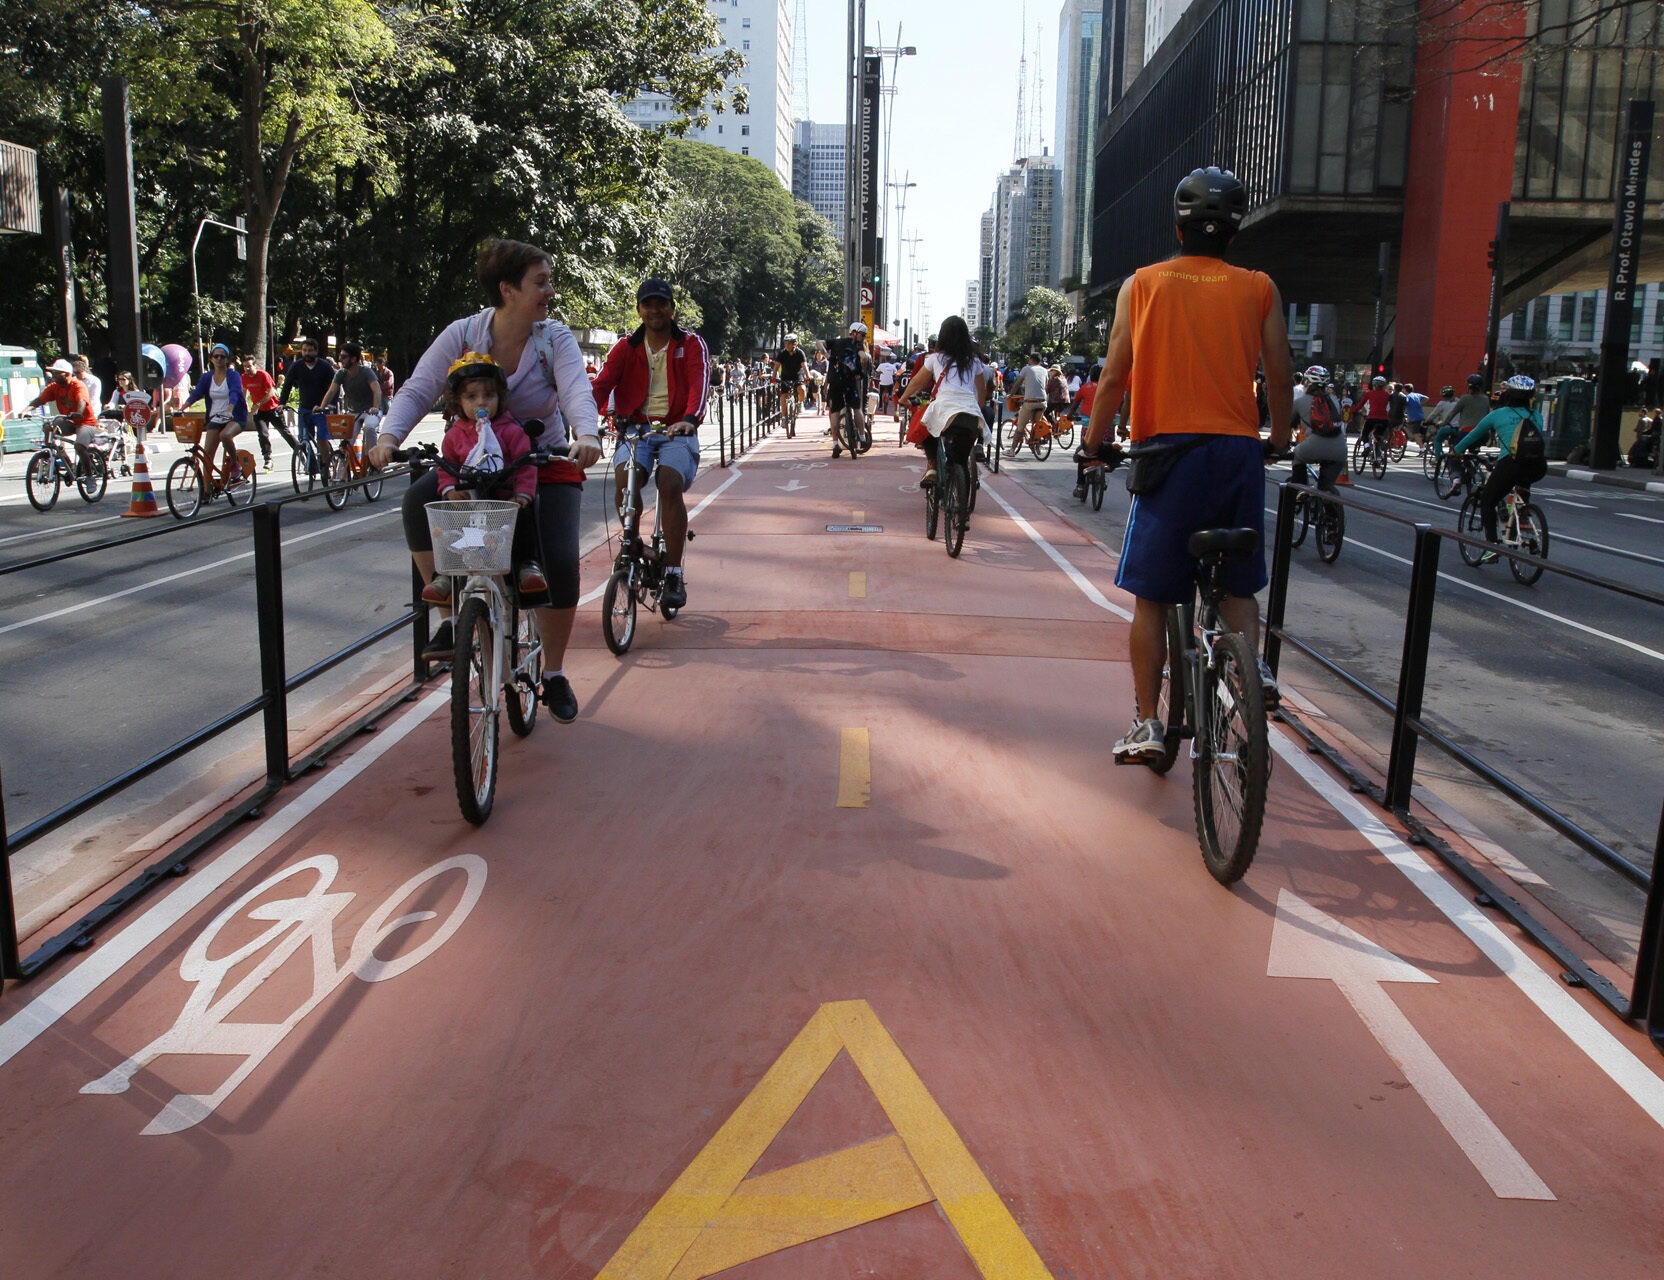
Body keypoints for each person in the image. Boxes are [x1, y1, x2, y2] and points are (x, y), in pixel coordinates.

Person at [1079, 165, 1293, 761]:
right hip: (1236, 453)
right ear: (1234, 229)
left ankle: (1147, 722)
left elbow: (1115, 376)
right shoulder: (1259, 288)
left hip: (1167, 453)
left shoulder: (1143, 284)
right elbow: (1279, 373)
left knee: (1153, 599)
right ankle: (1252, 670)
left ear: (1177, 227)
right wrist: (1274, 437)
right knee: (1238, 582)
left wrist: (1094, 444)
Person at [369, 238, 603, 721]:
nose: (550, 292)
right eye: (541, 282)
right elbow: (419, 387)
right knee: (417, 502)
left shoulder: (553, 339)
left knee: (559, 560)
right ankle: (451, 613)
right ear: (508, 289)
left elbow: (578, 391)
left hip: (542, 462)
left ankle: (554, 673)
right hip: (472, 467)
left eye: (549, 281)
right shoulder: (464, 334)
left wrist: (586, 434)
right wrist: (388, 437)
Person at [591, 277, 710, 613]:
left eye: (661, 303)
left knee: (669, 483)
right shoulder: (625, 348)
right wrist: (584, 423)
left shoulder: (691, 343)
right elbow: (601, 386)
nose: (655, 310)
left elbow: (700, 381)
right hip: (636, 428)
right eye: (648, 304)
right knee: (625, 482)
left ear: (672, 309)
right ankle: (632, 542)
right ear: (639, 309)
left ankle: (673, 572)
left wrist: (690, 418)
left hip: (677, 429)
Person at [422, 352, 547, 599]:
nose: (481, 402)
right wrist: (449, 490)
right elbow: (446, 466)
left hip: (505, 501)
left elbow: (526, 465)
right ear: (458, 402)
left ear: (500, 398)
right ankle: (446, 576)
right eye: (471, 397)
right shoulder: (455, 435)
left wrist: (522, 494)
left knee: (524, 519)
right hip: (469, 502)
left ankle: (528, 566)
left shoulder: (511, 431)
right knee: (450, 527)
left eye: (489, 396)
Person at [1451, 373, 1547, 560]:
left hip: (1511, 463)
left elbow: (1473, 435)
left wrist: (1456, 450)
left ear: (1508, 394)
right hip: (1537, 465)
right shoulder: (1536, 416)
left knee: (1488, 500)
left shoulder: (1498, 414)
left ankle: (1492, 546)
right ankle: (1523, 518)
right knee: (1520, 488)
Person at [896, 314, 988, 489]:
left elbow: (917, 382)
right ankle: (963, 493)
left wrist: (903, 398)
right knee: (962, 456)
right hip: (970, 411)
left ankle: (932, 467)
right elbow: (981, 389)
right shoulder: (974, 360)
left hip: (943, 408)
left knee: (925, 428)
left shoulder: (935, 359)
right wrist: (979, 406)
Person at [180, 343, 250, 488]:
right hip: (215, 417)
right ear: (211, 359)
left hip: (235, 416)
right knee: (207, 455)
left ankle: (236, 465)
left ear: (227, 359)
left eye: (222, 356)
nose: (219, 359)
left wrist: (230, 409)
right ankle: (206, 490)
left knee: (225, 435)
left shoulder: (233, 375)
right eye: (215, 356)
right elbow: (197, 393)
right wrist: (183, 407)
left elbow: (235, 392)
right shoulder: (207, 377)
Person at [27, 358, 100, 471]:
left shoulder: (78, 385)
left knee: (79, 447)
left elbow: (82, 400)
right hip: (68, 420)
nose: (53, 375)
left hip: (86, 422)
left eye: (56, 373)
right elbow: (40, 400)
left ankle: (89, 475)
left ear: (66, 374)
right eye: (53, 373)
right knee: (48, 426)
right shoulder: (54, 387)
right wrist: (26, 410)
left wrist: (79, 412)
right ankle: (53, 453)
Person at [318, 342, 385, 464]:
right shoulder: (341, 374)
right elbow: (332, 390)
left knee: (369, 428)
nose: (340, 359)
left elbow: (377, 390)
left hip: (370, 411)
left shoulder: (366, 372)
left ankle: (373, 461)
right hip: (353, 412)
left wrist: (375, 407)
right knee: (346, 441)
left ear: (354, 359)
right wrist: (321, 407)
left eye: (344, 357)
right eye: (340, 356)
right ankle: (341, 474)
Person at [280, 337, 339, 473]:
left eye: (310, 350)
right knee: (304, 438)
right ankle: (311, 463)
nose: (307, 353)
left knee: (322, 439)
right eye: (304, 350)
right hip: (304, 408)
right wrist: (281, 403)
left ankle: (325, 465)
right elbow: (287, 384)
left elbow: (334, 387)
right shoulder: (297, 366)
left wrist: (331, 404)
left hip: (321, 409)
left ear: (316, 351)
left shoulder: (324, 366)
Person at [1288, 365, 1347, 490]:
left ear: (1307, 382)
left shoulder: (1300, 402)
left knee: (1297, 456)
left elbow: (1288, 425)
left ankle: (1300, 489)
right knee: (1326, 488)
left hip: (1314, 446)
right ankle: (1329, 501)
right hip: (1340, 449)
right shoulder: (1334, 400)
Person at [238, 353, 300, 471]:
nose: (247, 369)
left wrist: (258, 404)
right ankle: (268, 459)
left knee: (285, 433)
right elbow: (244, 392)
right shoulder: (244, 377)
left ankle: (301, 452)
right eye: (245, 366)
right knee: (263, 434)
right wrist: (244, 404)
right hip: (259, 411)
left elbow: (271, 392)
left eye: (249, 366)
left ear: (255, 366)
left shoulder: (263, 375)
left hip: (272, 409)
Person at [824, 321, 873, 458]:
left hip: (834, 380)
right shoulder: (856, 343)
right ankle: (862, 438)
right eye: (862, 335)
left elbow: (819, 343)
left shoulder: (835, 342)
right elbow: (863, 358)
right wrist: (862, 370)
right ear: (855, 333)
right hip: (850, 380)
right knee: (857, 408)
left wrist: (827, 356)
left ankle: (835, 445)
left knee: (835, 411)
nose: (863, 338)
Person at [1004, 352, 1047, 457]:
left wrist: (1011, 394)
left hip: (1030, 402)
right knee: (1037, 423)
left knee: (1021, 425)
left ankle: (1012, 450)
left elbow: (1018, 383)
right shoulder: (1045, 370)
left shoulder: (1026, 369)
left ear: (1031, 360)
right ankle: (1037, 445)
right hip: (1042, 401)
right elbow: (1043, 385)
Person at [774, 332, 808, 429]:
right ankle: (784, 417)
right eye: (786, 343)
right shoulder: (782, 353)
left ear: (794, 344)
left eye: (789, 343)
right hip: (785, 376)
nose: (787, 345)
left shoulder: (800, 353)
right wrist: (773, 377)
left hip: (797, 376)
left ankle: (800, 404)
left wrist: (808, 376)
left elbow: (804, 366)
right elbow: (776, 366)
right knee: (783, 396)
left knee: (802, 390)